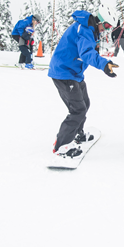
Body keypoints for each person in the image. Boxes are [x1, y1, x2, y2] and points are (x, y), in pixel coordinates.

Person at [48, 10, 119, 157]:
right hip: (64, 73)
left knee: (84, 104)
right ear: (99, 20)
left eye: (109, 27)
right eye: (106, 25)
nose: (106, 29)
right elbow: (86, 53)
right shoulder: (85, 29)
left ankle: (77, 134)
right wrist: (104, 64)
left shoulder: (90, 29)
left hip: (74, 73)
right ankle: (62, 146)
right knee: (77, 110)